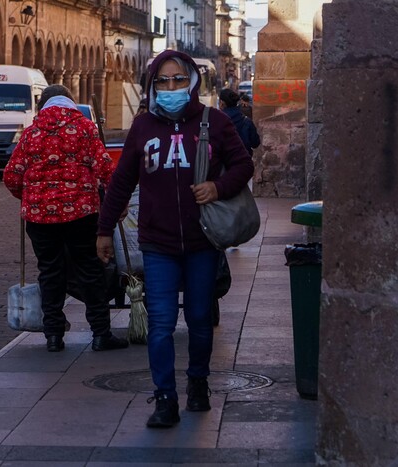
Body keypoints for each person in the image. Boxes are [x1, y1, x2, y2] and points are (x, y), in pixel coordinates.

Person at [96, 50, 254, 428]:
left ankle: (198, 382)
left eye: (178, 80)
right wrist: (103, 229)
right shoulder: (142, 127)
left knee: (200, 319)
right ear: (152, 85)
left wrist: (218, 187)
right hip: (158, 243)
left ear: (192, 82)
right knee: (162, 322)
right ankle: (165, 397)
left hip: (202, 241)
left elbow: (243, 164)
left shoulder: (213, 122)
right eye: (162, 81)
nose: (170, 87)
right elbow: (121, 181)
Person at [3, 84, 129, 354]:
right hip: (80, 214)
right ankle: (100, 334)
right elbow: (107, 170)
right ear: (70, 103)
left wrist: (30, 199)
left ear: (43, 106)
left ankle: (53, 336)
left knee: (50, 271)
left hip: (39, 218)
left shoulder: (31, 133)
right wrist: (118, 206)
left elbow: (11, 176)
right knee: (90, 270)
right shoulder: (84, 128)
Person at [219, 88, 261, 156]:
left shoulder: (216, 121)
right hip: (243, 162)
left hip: (224, 163)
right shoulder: (247, 121)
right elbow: (255, 143)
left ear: (222, 102)